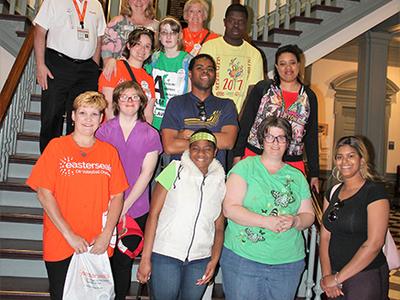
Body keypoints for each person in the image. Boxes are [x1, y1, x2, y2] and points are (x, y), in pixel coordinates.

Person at [26, 92, 128, 300]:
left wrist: (107, 233)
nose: (88, 119)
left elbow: (117, 196)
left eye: (94, 114)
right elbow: (44, 193)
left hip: (97, 243)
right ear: (73, 116)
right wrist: (69, 234)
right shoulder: (56, 147)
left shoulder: (109, 152)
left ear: (101, 119)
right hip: (61, 240)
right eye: (82, 113)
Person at [221, 116, 315, 300]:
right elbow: (230, 209)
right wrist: (267, 222)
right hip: (243, 259)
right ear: (262, 140)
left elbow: (308, 215)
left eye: (281, 137)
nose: (275, 142)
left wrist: (296, 220)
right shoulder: (244, 167)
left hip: (287, 264)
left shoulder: (297, 176)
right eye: (270, 136)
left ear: (288, 142)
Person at [137, 129, 226, 300]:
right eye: (195, 148)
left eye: (207, 148)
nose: (201, 153)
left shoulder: (221, 182)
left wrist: (213, 261)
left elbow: (219, 227)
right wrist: (145, 259)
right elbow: (153, 215)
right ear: (188, 150)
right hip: (165, 256)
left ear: (215, 152)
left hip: (200, 260)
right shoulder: (173, 169)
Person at [96, 81, 162, 299]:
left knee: (123, 263)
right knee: (101, 260)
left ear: (142, 102)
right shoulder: (104, 130)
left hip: (136, 209)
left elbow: (146, 175)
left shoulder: (151, 134)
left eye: (134, 97)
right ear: (115, 102)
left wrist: (123, 207)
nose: (129, 101)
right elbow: (100, 170)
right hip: (103, 207)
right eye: (124, 97)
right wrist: (112, 206)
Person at [233, 44, 320, 192]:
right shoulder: (264, 88)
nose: (288, 68)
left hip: (291, 161)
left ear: (299, 65)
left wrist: (314, 173)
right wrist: (237, 155)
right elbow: (246, 123)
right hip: (256, 156)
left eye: (292, 63)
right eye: (282, 64)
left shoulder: (309, 96)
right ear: (277, 67)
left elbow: (311, 136)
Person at [319, 136, 389, 299]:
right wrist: (327, 276)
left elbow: (374, 244)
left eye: (351, 156)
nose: (344, 161)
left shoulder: (374, 192)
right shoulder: (331, 192)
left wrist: (337, 279)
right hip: (334, 276)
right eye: (339, 156)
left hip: (365, 275)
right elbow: (324, 237)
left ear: (362, 160)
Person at [33, 0, 106, 152]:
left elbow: (99, 39)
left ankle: (75, 160)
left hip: (86, 69)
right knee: (52, 115)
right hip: (57, 64)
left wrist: (94, 66)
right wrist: (40, 65)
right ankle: (49, 160)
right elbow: (40, 31)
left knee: (82, 117)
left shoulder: (96, 5)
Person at [161, 54, 238, 170]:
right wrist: (211, 142)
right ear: (190, 74)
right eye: (200, 68)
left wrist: (188, 136)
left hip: (213, 176)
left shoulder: (226, 105)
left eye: (210, 69)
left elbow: (228, 141)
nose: (205, 72)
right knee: (161, 186)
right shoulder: (175, 103)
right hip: (178, 174)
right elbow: (169, 146)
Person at [199, 3, 264, 113]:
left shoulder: (254, 54)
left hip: (239, 116)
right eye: (232, 21)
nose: (236, 25)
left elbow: (253, 92)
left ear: (246, 24)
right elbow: (200, 82)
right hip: (209, 113)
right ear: (225, 22)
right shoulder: (209, 47)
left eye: (241, 22)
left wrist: (240, 119)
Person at [145, 16, 192, 130]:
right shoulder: (154, 58)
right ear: (159, 36)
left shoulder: (187, 60)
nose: (168, 36)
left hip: (177, 119)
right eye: (164, 32)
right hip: (155, 117)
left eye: (173, 32)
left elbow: (190, 91)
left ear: (179, 36)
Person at [98, 28, 156, 121]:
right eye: (138, 44)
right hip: (113, 129)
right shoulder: (114, 68)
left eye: (147, 46)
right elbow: (108, 107)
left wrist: (144, 133)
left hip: (137, 131)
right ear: (129, 45)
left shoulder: (149, 79)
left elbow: (148, 114)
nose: (142, 49)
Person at [101, 0, 158, 80]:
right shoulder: (117, 23)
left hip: (146, 81)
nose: (139, 2)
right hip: (118, 77)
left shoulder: (158, 28)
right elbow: (106, 54)